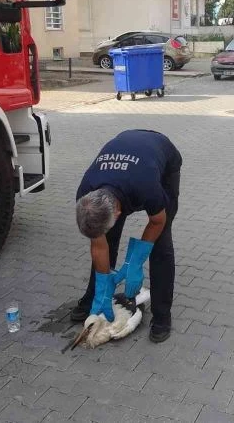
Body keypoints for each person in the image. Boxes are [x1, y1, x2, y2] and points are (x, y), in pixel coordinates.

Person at [71, 129, 182, 343]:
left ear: (118, 213)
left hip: (162, 159)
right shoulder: (86, 195)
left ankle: (162, 316)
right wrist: (103, 288)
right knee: (107, 239)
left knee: (160, 243)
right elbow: (99, 244)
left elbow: (157, 221)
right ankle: (93, 298)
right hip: (126, 159)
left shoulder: (147, 187)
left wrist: (135, 261)